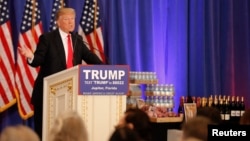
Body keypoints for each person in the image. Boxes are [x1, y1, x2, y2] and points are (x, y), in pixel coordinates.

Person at [18, 7, 104, 139]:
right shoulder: (47, 38)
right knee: (45, 132)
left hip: (71, 92)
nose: (71, 22)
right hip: (47, 94)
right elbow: (38, 60)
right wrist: (31, 56)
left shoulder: (77, 39)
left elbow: (89, 56)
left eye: (72, 19)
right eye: (67, 19)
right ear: (58, 22)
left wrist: (105, 69)